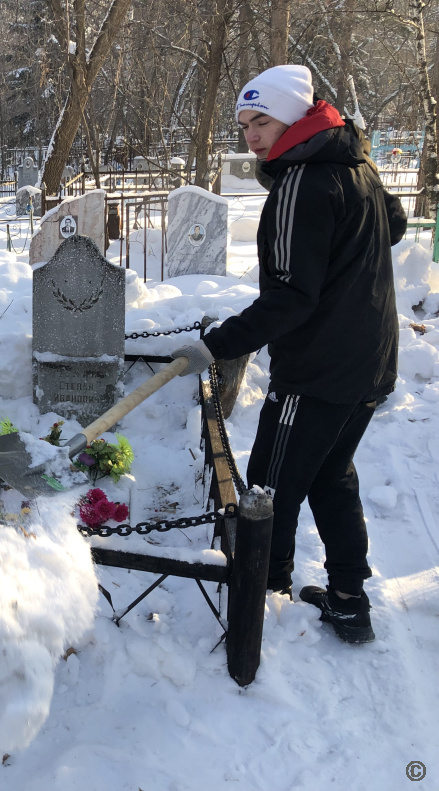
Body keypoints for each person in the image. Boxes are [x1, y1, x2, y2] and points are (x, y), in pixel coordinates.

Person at [172, 65, 407, 644]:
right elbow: (394, 226)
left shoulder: (302, 183)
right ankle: (349, 600)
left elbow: (289, 299)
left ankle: (262, 594)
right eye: (244, 123)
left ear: (297, 118)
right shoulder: (356, 165)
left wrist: (217, 345)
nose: (251, 135)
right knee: (331, 473)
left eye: (263, 120)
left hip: (319, 369)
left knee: (267, 485)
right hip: (371, 361)